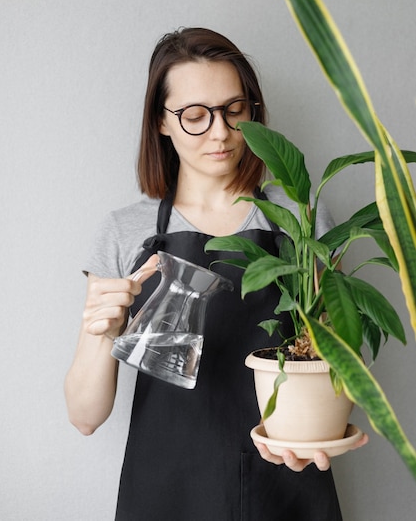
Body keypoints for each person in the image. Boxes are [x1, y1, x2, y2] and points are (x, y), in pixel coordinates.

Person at [65, 27, 358, 520]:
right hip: (166, 487)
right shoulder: (125, 231)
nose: (220, 133)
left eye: (233, 111)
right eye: (195, 116)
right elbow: (85, 417)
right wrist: (102, 334)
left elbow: (338, 360)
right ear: (162, 122)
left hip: (285, 477)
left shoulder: (301, 219)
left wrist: (320, 434)